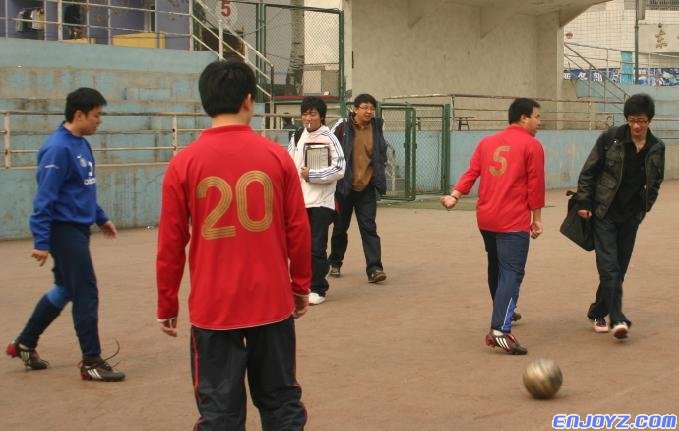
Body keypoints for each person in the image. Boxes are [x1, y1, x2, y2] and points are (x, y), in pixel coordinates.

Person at [156, 60, 310, 430]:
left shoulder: (183, 163)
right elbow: (298, 229)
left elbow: (171, 242)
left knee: (219, 411)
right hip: (271, 301)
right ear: (248, 100)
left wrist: (167, 302)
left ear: (206, 101)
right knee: (281, 402)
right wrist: (301, 286)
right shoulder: (277, 157)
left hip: (214, 308)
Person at [6, 87, 125, 381]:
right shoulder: (57, 149)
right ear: (79, 114)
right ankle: (91, 361)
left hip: (78, 227)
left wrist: (100, 218)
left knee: (65, 290)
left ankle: (24, 342)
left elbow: (83, 189)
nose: (100, 121)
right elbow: (44, 199)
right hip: (63, 230)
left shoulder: (81, 145)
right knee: (86, 291)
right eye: (97, 115)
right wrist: (42, 241)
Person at [441, 98, 545, 355]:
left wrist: (455, 195)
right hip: (513, 221)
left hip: (486, 219)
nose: (539, 122)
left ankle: (502, 310)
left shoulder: (487, 142)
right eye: (537, 117)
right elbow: (536, 185)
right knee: (512, 272)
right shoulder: (532, 145)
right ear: (523, 118)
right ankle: (500, 329)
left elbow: (472, 172)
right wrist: (537, 219)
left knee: (496, 266)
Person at [574, 93, 664, 339]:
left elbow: (655, 182)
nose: (637, 126)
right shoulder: (610, 139)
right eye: (633, 120)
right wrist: (583, 201)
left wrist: (645, 208)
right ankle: (617, 317)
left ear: (650, 121)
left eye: (642, 121)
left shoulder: (656, 147)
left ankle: (597, 310)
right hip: (605, 213)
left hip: (631, 216)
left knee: (619, 269)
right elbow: (589, 171)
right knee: (609, 267)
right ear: (626, 119)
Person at [288, 96, 345, 305]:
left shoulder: (330, 137)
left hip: (322, 202)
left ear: (321, 116)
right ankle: (300, 284)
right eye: (304, 113)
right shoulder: (297, 136)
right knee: (298, 246)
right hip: (299, 202)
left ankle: (318, 288)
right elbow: (289, 164)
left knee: (316, 246)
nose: (307, 118)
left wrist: (312, 175)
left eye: (312, 113)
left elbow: (340, 168)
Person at [328, 93, 388, 283]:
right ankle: (335, 263)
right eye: (365, 107)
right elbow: (330, 147)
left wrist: (379, 173)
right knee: (339, 228)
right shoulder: (342, 126)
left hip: (367, 187)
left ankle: (375, 268)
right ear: (355, 109)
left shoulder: (377, 127)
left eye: (372, 108)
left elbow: (380, 153)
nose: (369, 111)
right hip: (344, 187)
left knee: (368, 227)